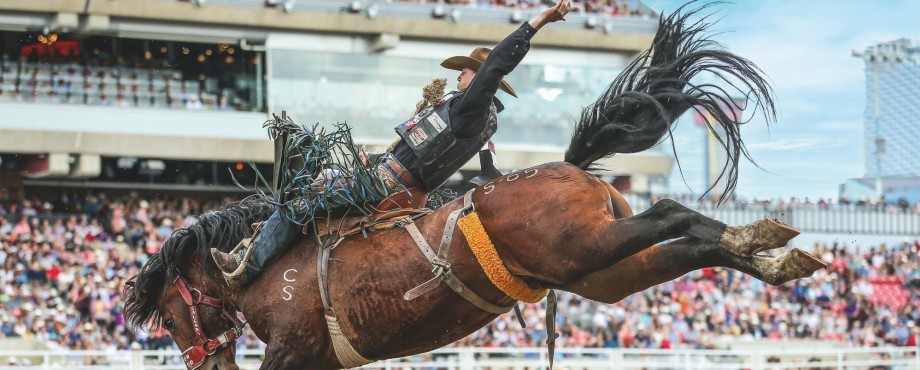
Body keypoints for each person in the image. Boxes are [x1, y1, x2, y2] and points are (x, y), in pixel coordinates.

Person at [211, 0, 572, 287]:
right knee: (321, 177)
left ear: (479, 78)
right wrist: (373, 158)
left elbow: (496, 64)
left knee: (299, 199)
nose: (458, 74)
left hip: (390, 183)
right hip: (391, 174)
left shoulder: (471, 107)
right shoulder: (469, 115)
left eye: (464, 70)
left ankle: (249, 267)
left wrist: (537, 22)